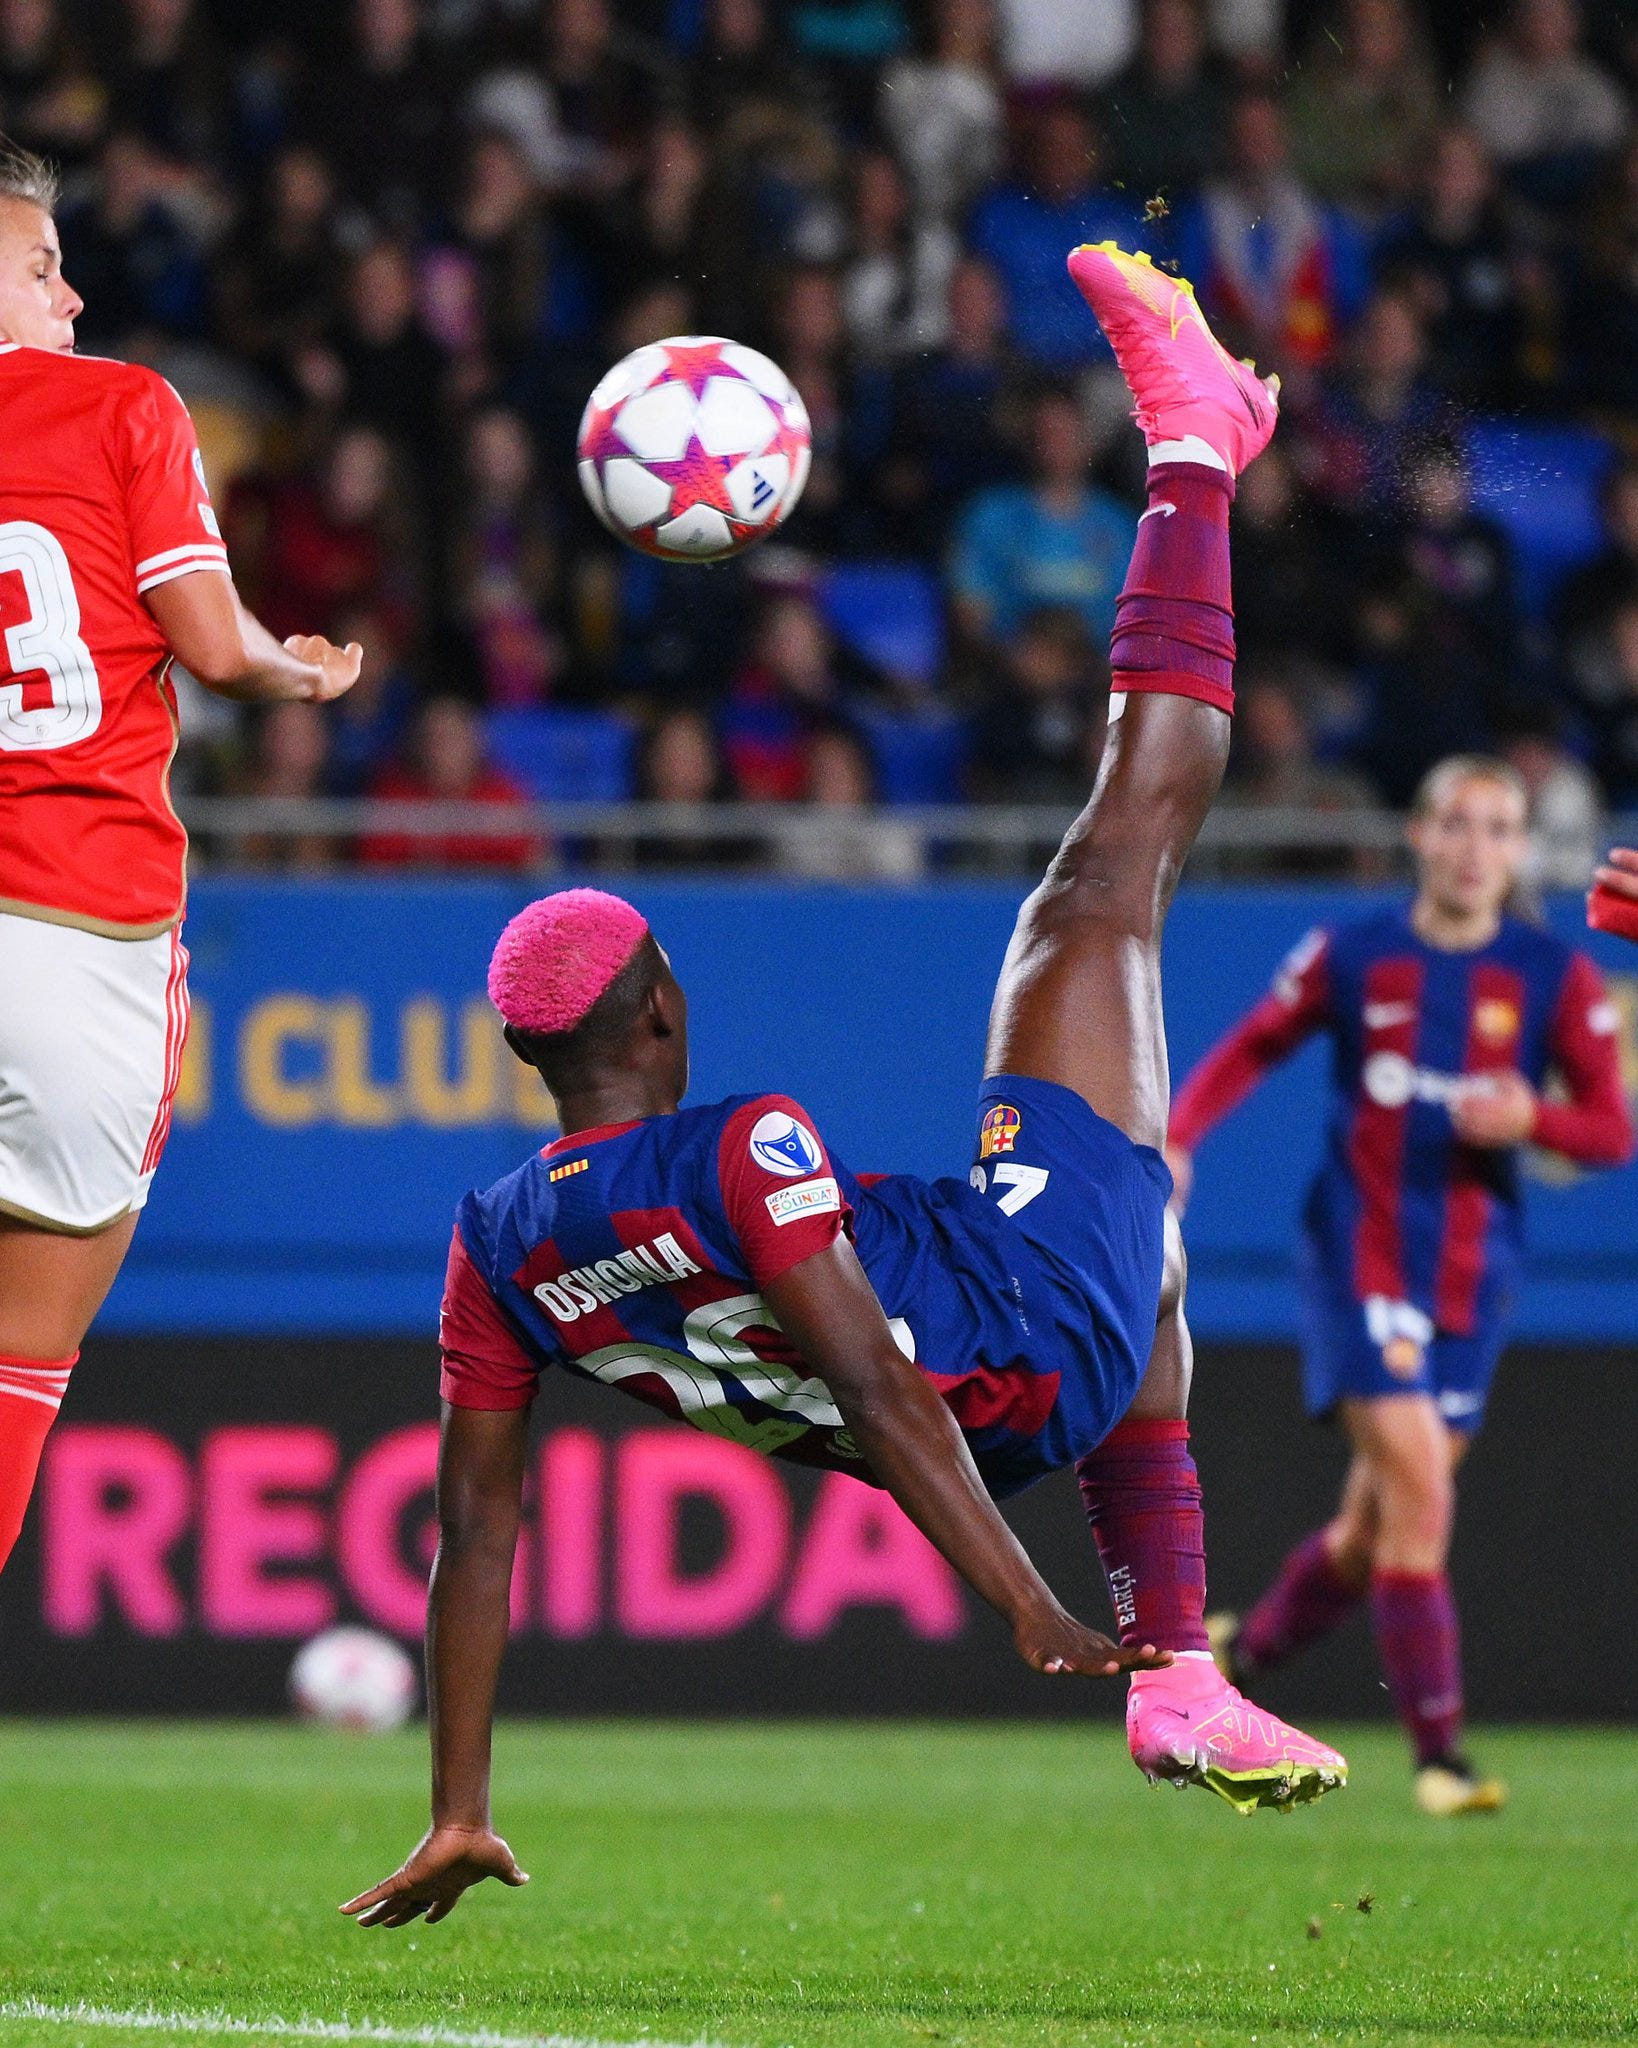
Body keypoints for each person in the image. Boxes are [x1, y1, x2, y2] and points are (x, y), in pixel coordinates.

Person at [342, 239, 1348, 1932]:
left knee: (1153, 1252)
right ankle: (1191, 449)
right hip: (1018, 1340)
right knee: (1104, 879)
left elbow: (475, 1534)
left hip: (1001, 1353)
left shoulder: (494, 1242)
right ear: (663, 1012)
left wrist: (458, 1807)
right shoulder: (741, 1144)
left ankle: (1180, 1677)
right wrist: (1022, 1604)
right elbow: (880, 1384)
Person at [0, 137, 361, 1581]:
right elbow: (213, 648)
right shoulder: (119, 407)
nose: (74, 297)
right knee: (23, 1358)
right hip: (75, 933)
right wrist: (301, 670)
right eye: (42, 268)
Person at [1167, 757, 1633, 1816]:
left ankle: (1244, 1652)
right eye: (1457, 824)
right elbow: (1253, 1045)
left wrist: (1534, 1119)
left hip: (1471, 1273)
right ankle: (1440, 1758)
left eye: (1499, 829)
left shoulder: (1551, 976)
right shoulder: (1356, 953)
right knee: (1422, 1491)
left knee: (1372, 1529)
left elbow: (1610, 1130)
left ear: (1521, 850)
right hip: (1359, 1255)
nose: (1476, 848)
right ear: (1418, 835)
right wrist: (1182, 1136)